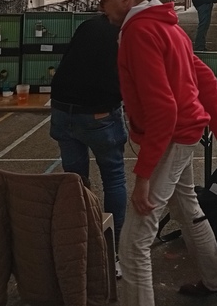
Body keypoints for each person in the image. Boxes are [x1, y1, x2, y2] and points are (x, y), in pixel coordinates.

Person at [99, 0, 217, 304]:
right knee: (186, 208)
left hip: (173, 137)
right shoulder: (168, 26)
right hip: (184, 134)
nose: (101, 8)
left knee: (134, 242)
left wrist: (143, 175)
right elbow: (206, 78)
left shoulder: (139, 32)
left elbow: (164, 110)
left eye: (104, 1)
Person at [49, 13, 127, 256]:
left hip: (62, 110)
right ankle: (112, 250)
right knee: (113, 178)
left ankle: (81, 245)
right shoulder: (126, 33)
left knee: (75, 181)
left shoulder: (88, 26)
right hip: (97, 114)